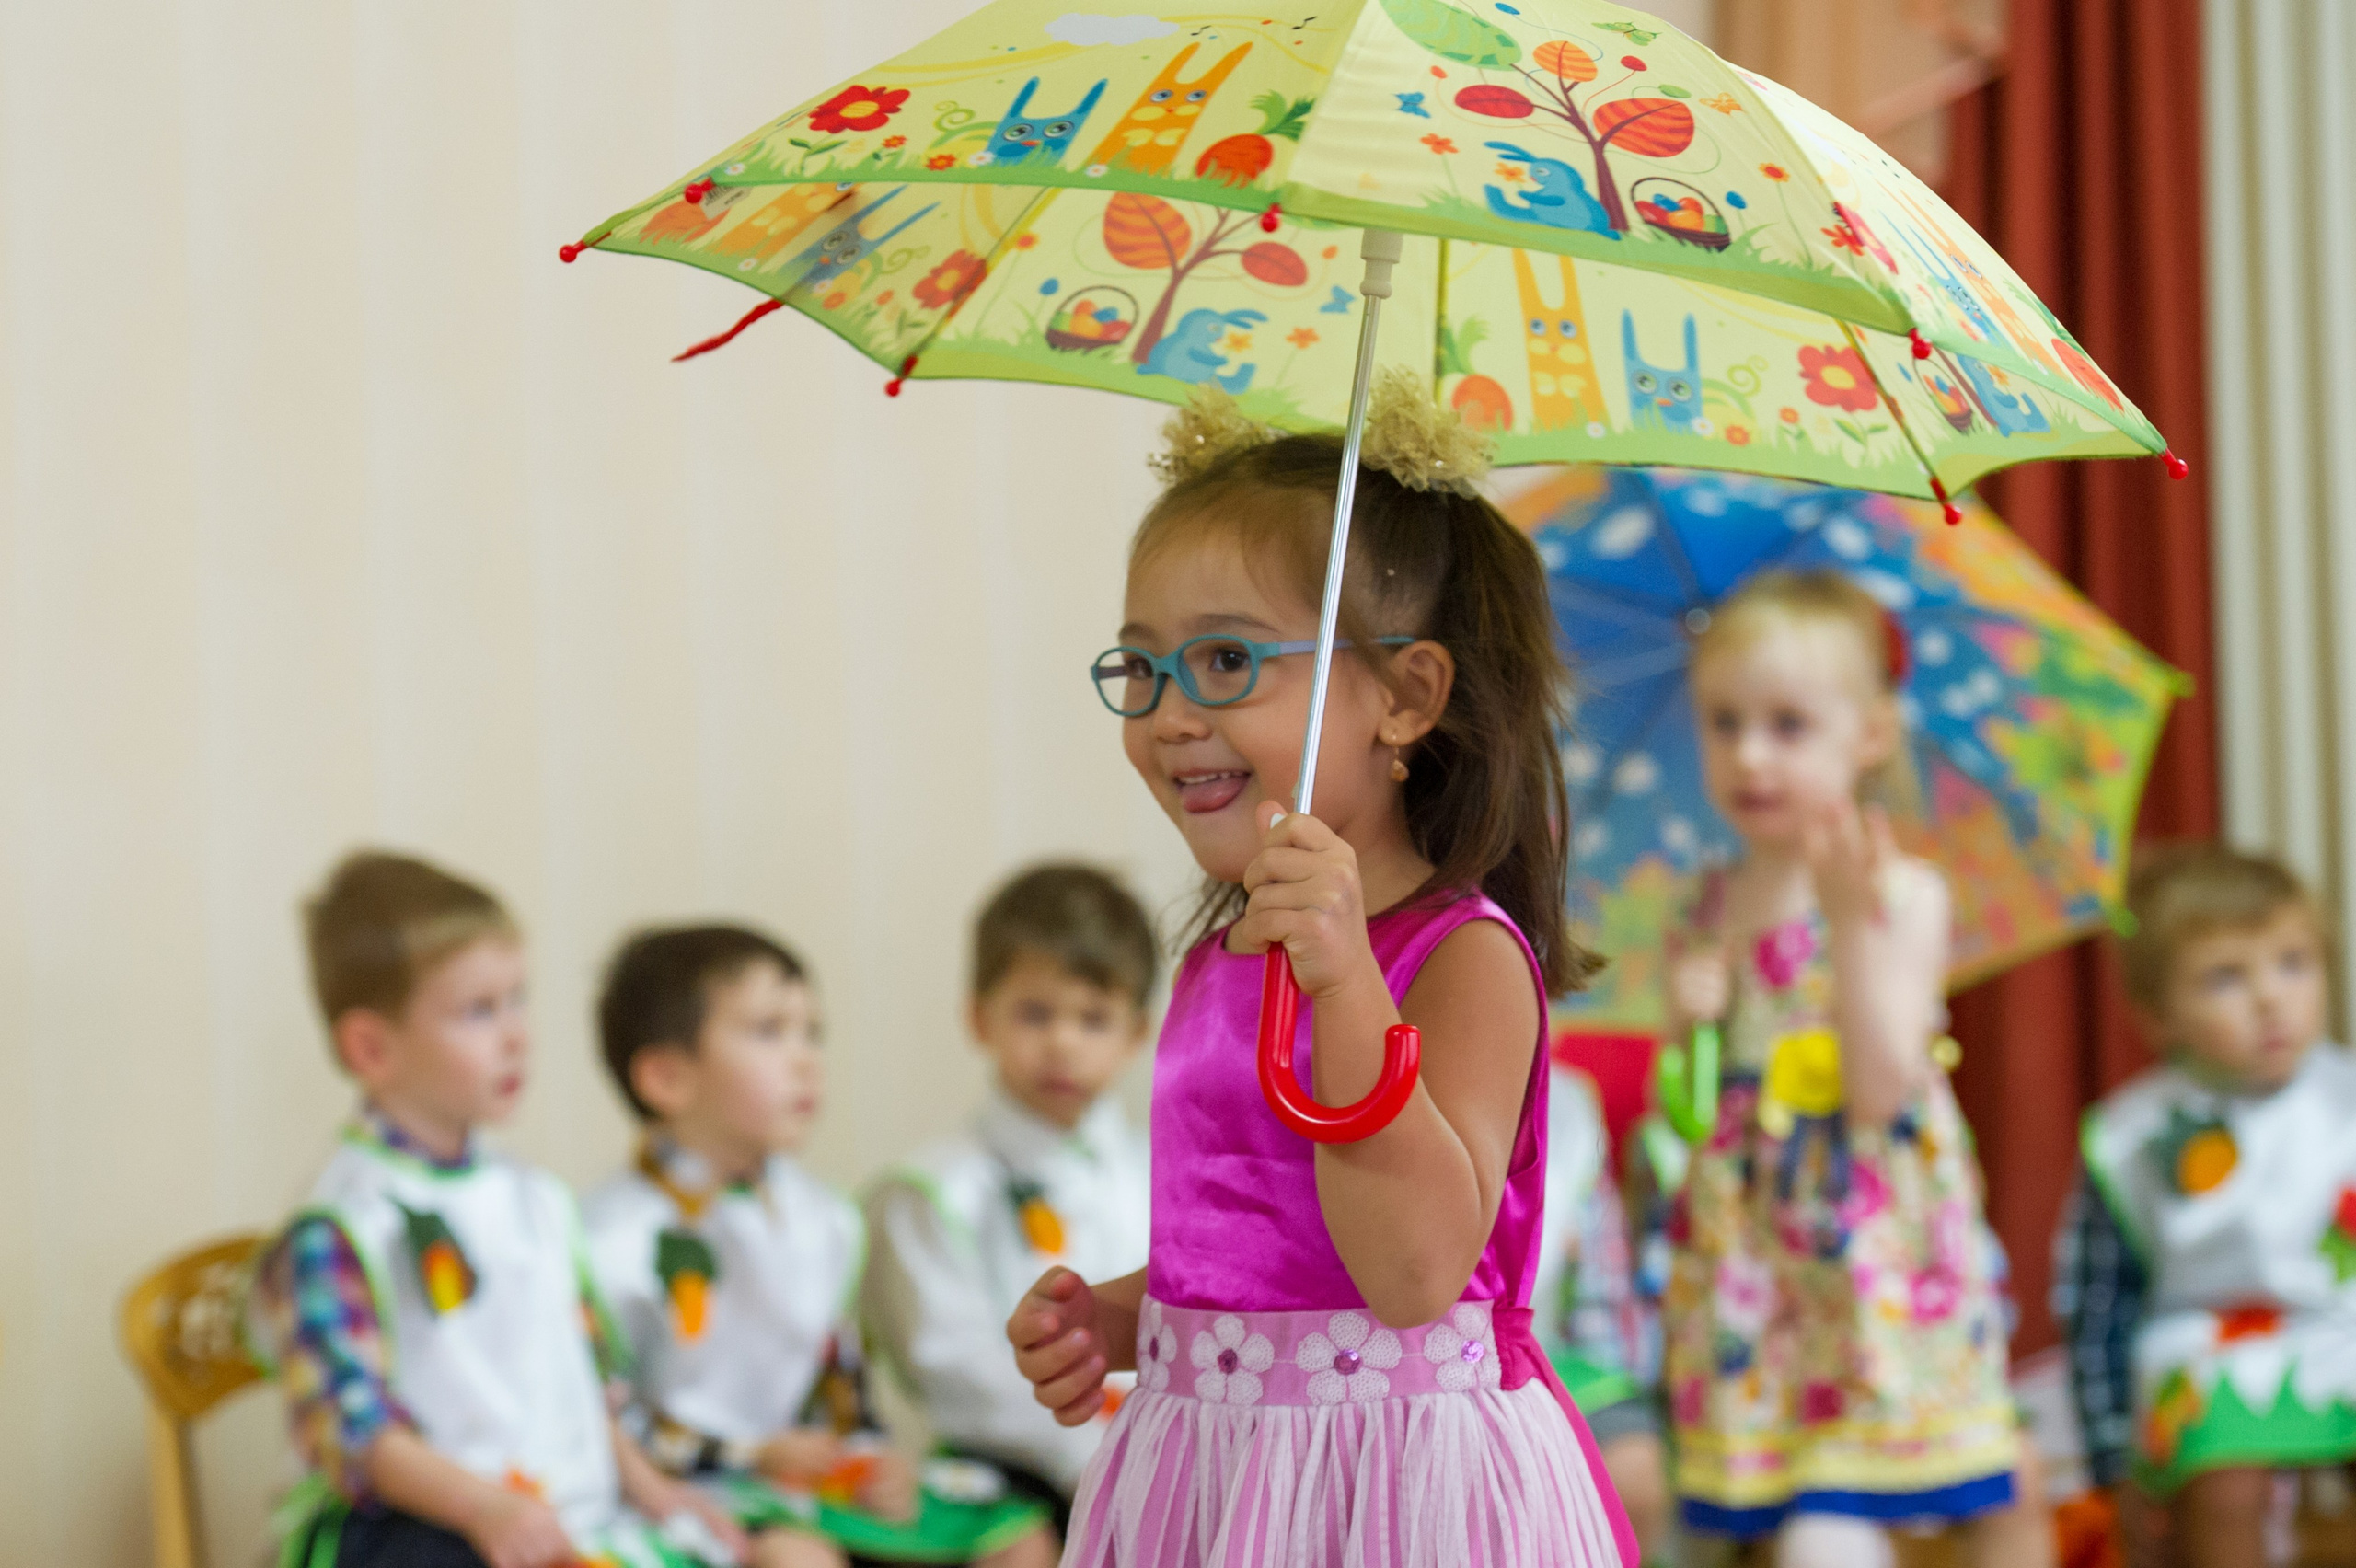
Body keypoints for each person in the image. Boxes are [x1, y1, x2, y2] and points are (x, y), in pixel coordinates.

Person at [1005, 375, 1637, 1566]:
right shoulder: (1211, 962)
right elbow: (1253, 1249)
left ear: (1404, 698)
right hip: (1210, 1479)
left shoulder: (1466, 960)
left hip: (1395, 1494)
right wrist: (1123, 1316)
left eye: (1229, 661)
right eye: (1142, 671)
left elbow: (1407, 1276)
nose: (1170, 715)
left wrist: (1347, 985)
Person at [1659, 571, 2028, 1567]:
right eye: (1723, 721)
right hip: (1753, 1263)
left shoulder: (1903, 893)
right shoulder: (1705, 903)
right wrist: (1683, 1021)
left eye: (1786, 724)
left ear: (1867, 735)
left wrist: (1850, 926)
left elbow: (1878, 1087)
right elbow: (1688, 1118)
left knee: (1833, 1525)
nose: (1748, 754)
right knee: (1759, 1518)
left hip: (1867, 1257)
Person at [248, 850, 734, 1568]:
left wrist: (651, 1488)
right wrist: (483, 1507)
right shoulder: (344, 1222)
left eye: (518, 999)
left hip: (555, 1514)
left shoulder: (536, 1200)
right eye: (479, 1011)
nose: (516, 1035)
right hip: (425, 1523)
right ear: (372, 1048)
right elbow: (353, 1432)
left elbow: (585, 1384)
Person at [583, 925, 1057, 1568]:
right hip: (690, 1489)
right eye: (771, 1032)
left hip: (803, 1483)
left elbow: (839, 1381)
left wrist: (868, 1459)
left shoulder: (823, 1217)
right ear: (668, 1078)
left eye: (812, 1033)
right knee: (796, 1558)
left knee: (1017, 1535)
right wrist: (752, 1455)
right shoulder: (610, 1237)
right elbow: (599, 1414)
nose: (806, 1059)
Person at [2054, 846, 2356, 1568]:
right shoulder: (2132, 1137)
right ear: (2157, 1016)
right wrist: (2109, 1454)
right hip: (2204, 1347)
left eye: (2293, 962)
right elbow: (2097, 1305)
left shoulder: (2342, 1099)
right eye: (2226, 977)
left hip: (2343, 1328)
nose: (2270, 998)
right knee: (2222, 1481)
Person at [862, 863, 1157, 1540]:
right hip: (1007, 1478)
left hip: (1162, 1452)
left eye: (1093, 1018)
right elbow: (961, 1374)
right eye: (1035, 1012)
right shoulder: (930, 1191)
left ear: (1136, 1034)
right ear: (978, 1017)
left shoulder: (1168, 1171)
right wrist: (1099, 1463)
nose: (1063, 1042)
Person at [1533, 1062, 1677, 1565]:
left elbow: (1602, 1282)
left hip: (1549, 1351)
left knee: (1635, 1476)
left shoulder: (1567, 1104)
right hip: (1432, 1361)